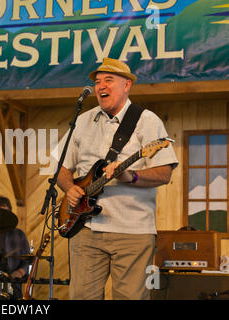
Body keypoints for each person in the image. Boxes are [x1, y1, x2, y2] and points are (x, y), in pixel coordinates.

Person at [57, 58, 178, 300]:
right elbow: (59, 167)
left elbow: (164, 173)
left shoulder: (147, 121)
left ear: (127, 85)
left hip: (133, 231)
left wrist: (129, 175)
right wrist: (70, 188)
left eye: (108, 80)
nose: (101, 86)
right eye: (98, 81)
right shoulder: (82, 121)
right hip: (86, 228)